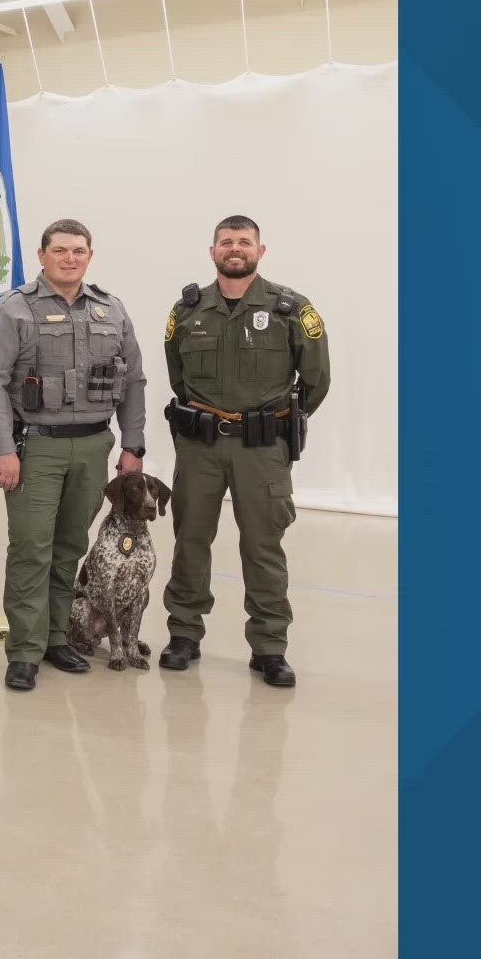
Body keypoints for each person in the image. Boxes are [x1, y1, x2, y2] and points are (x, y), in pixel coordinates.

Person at [0, 218, 147, 691]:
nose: (69, 258)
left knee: (70, 546)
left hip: (94, 445)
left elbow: (133, 381)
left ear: (90, 255)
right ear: (41, 254)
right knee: (32, 547)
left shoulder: (112, 309)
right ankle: (25, 650)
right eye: (60, 250)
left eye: (78, 251)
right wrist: (3, 450)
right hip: (36, 448)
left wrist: (133, 446)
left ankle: (55, 638)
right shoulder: (13, 310)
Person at [161, 215, 330, 687]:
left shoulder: (292, 309)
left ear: (261, 250)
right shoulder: (187, 311)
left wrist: (272, 422)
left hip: (261, 449)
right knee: (191, 542)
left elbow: (316, 380)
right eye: (226, 242)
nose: (235, 249)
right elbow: (178, 375)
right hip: (200, 446)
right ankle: (184, 635)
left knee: (263, 547)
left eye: (244, 242)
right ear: (212, 250)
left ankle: (270, 647)